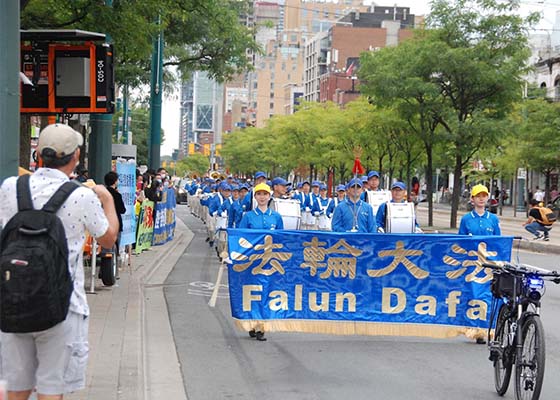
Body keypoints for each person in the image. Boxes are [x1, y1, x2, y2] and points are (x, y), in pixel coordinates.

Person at [0, 123, 119, 400]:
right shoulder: (82, 195)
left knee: (16, 388)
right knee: (52, 389)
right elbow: (108, 239)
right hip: (64, 306)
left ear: (39, 154)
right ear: (76, 156)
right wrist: (107, 200)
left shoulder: (9, 188)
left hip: (13, 298)